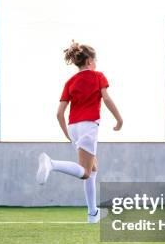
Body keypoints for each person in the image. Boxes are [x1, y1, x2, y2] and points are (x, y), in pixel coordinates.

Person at [36, 42, 123, 223]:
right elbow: (106, 98)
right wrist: (119, 119)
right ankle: (51, 164)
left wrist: (67, 134)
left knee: (93, 169)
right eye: (95, 60)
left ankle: (92, 214)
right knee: (84, 171)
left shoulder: (70, 82)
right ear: (90, 60)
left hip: (74, 127)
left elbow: (59, 113)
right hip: (89, 127)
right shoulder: (98, 76)